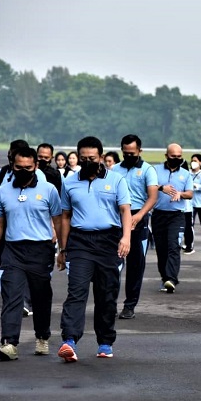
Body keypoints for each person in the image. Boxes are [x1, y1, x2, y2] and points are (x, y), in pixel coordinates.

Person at [57, 136, 131, 361]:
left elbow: (125, 211)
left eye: (92, 158)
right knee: (76, 291)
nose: (88, 161)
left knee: (106, 294)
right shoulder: (69, 182)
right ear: (78, 158)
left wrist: (126, 237)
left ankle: (105, 341)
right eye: (83, 158)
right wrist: (63, 249)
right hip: (80, 242)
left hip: (109, 241)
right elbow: (65, 216)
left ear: (101, 157)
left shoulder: (116, 180)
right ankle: (69, 340)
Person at [0, 147, 62, 361]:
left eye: (28, 168)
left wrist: (62, 250)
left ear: (36, 166)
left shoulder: (49, 190)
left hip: (40, 249)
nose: (23, 171)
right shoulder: (3, 191)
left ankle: (42, 336)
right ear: (12, 166)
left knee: (40, 296)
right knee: (12, 296)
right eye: (18, 167)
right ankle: (9, 343)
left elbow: (58, 219)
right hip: (13, 250)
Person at [113, 134, 159, 320]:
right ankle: (109, 303)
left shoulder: (148, 170)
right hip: (118, 220)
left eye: (132, 153)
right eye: (125, 153)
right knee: (113, 266)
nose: (129, 156)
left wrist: (139, 216)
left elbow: (153, 197)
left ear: (139, 151)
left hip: (139, 220)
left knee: (135, 266)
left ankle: (129, 305)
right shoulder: (115, 170)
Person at [152, 144, 193, 293]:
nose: (176, 159)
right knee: (161, 249)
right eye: (173, 156)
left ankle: (171, 278)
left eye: (179, 157)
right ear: (166, 156)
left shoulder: (185, 174)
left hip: (177, 215)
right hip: (158, 214)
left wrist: (180, 194)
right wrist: (162, 188)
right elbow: (148, 186)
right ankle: (165, 278)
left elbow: (190, 194)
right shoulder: (155, 170)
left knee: (173, 246)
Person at [187, 153, 201, 253]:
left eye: (195, 161)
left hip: (200, 203)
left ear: (200, 162)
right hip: (190, 203)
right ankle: (189, 243)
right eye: (192, 161)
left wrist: (194, 185)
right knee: (189, 224)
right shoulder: (188, 173)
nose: (193, 163)